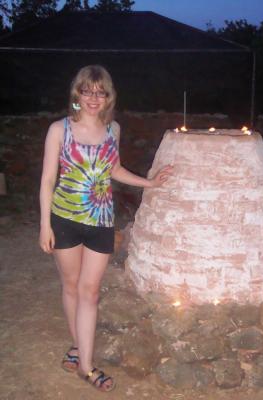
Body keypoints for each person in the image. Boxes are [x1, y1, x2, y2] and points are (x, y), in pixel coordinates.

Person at [39, 65, 172, 392]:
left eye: (100, 92)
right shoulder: (60, 130)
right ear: (77, 94)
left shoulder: (113, 130)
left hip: (100, 220)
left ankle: (82, 360)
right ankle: (83, 358)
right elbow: (47, 180)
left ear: (108, 96)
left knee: (91, 291)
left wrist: (149, 183)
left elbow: (113, 168)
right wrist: (45, 224)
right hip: (65, 219)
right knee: (71, 286)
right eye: (87, 91)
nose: (93, 98)